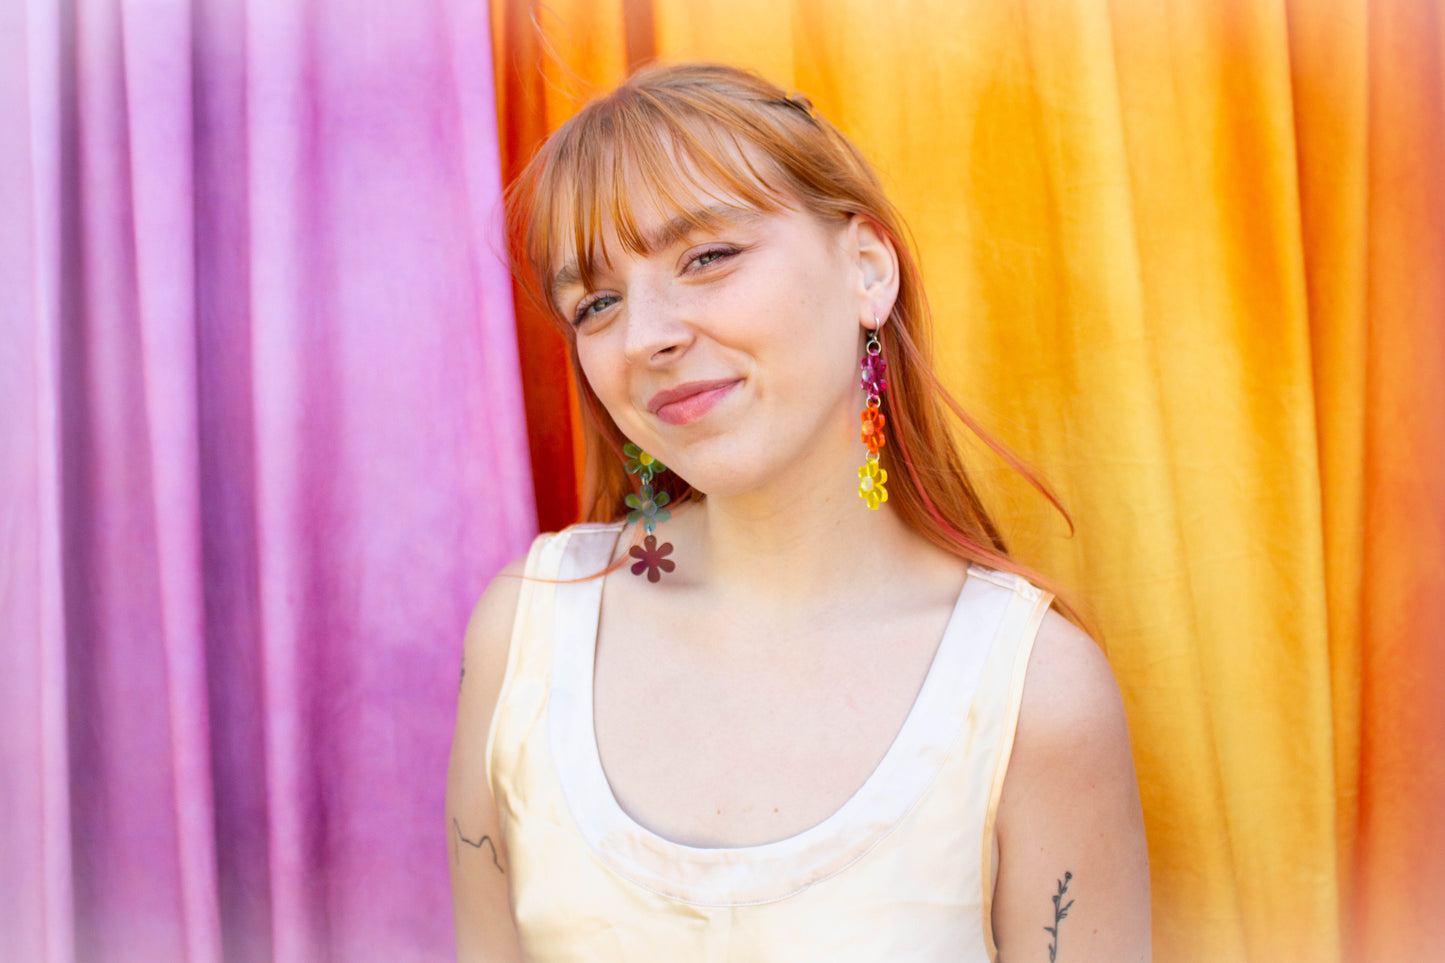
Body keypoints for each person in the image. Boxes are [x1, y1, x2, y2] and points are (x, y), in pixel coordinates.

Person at [447, 62, 1150, 962]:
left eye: (707, 257)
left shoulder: (1033, 693)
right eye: (597, 303)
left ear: (866, 269)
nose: (646, 335)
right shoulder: (525, 634)